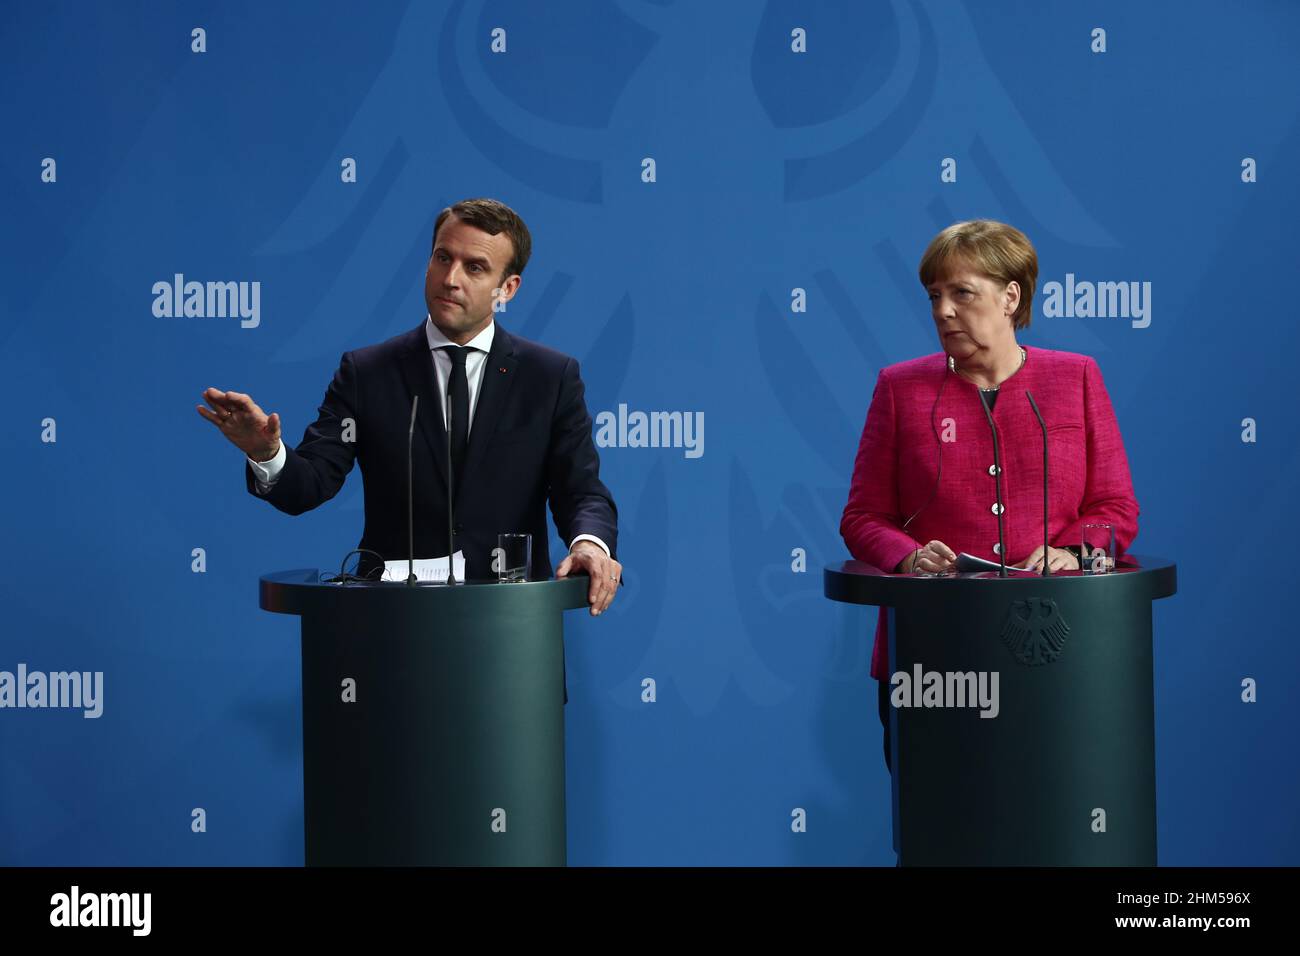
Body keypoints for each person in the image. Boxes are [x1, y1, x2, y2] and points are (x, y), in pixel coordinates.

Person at [197, 197, 622, 616]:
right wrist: (266, 453)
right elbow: (310, 484)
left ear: (507, 288)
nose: (450, 278)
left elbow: (581, 491)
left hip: (511, 631)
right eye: (442, 258)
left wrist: (588, 544)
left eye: (474, 267)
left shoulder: (549, 377)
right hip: (391, 630)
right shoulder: (367, 372)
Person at [839, 220, 1139, 771]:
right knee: (944, 829)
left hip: (1058, 648)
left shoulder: (1076, 378)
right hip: (933, 662)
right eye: (934, 296)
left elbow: (1115, 508)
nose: (943, 311)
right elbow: (863, 516)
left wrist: (1072, 553)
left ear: (1010, 298)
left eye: (962, 293)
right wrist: (907, 556)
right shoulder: (899, 387)